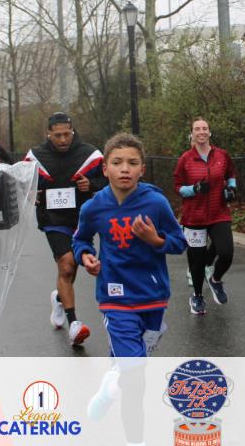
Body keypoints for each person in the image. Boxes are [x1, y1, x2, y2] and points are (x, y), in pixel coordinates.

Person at [73, 133, 186, 357]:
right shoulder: (93, 208)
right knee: (132, 361)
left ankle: (119, 369)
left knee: (131, 360)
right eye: (117, 163)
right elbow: (80, 239)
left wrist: (155, 240)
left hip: (152, 294)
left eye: (132, 163)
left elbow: (180, 242)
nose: (125, 169)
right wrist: (85, 256)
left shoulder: (156, 203)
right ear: (105, 169)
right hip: (114, 294)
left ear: (142, 170)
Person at [23, 112, 106, 346]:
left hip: (82, 217)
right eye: (57, 135)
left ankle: (59, 298)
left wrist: (91, 184)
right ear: (48, 134)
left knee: (71, 267)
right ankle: (74, 324)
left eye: (67, 134)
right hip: (53, 218)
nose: (62, 140)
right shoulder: (35, 156)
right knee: (66, 264)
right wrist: (31, 194)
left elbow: (108, 179)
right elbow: (22, 183)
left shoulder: (90, 154)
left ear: (73, 131)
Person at [173, 116, 238, 315]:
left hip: (219, 213)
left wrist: (231, 189)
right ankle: (198, 296)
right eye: (197, 129)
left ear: (209, 132)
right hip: (195, 217)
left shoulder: (222, 155)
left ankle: (215, 279)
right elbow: (177, 187)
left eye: (204, 128)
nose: (201, 132)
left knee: (226, 253)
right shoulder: (185, 159)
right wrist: (194, 189)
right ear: (192, 134)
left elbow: (231, 174)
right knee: (197, 261)